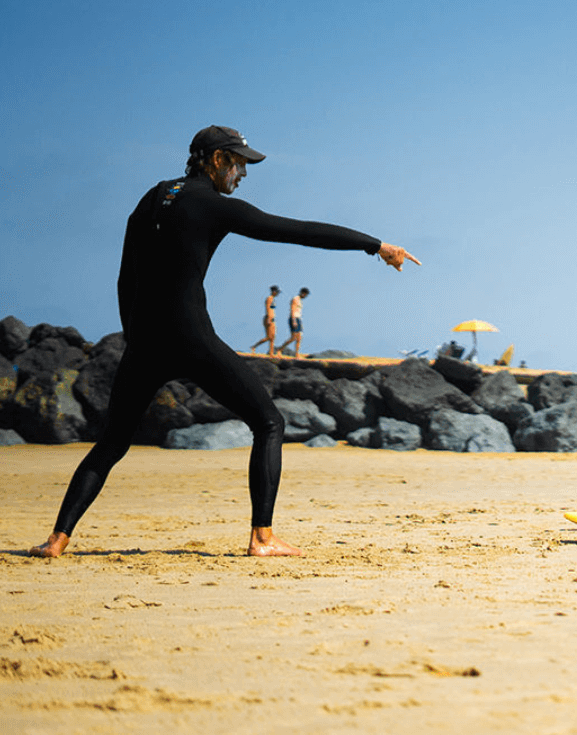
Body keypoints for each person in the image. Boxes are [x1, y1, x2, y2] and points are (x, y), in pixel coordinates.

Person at [28, 125, 420, 559]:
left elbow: (126, 281)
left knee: (112, 443)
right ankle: (262, 539)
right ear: (216, 159)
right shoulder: (214, 206)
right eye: (239, 164)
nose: (243, 175)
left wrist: (136, 339)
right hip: (193, 338)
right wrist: (375, 245)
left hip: (144, 343)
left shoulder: (150, 200)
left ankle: (56, 541)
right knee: (269, 422)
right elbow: (296, 230)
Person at [277, 287, 309, 358]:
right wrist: (294, 320)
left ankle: (297, 353)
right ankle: (280, 349)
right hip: (293, 318)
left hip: (298, 318)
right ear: (302, 293)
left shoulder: (300, 300)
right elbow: (292, 310)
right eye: (305, 295)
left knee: (299, 337)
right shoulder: (295, 299)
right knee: (293, 337)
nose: (305, 296)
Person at [249, 285, 281, 354]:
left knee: (273, 337)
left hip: (272, 318)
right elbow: (268, 309)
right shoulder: (269, 298)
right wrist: (269, 318)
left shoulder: (273, 299)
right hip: (268, 318)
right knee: (269, 337)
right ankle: (254, 346)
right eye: (277, 292)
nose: (278, 294)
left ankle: (271, 352)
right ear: (274, 292)